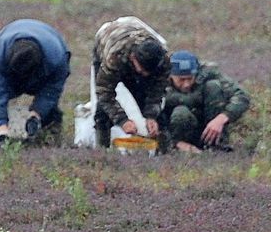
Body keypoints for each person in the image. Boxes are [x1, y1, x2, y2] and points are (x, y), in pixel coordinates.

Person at [0, 19, 71, 145]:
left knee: (50, 109)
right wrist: (2, 129)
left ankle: (47, 141)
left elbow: (51, 91)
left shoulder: (57, 59)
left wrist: (37, 115)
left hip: (44, 68)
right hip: (7, 67)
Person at [92, 16, 169, 147]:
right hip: (106, 40)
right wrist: (122, 120)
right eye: (142, 69)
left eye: (149, 71)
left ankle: (163, 150)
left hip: (134, 31)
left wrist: (151, 116)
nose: (145, 74)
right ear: (133, 58)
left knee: (151, 105)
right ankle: (101, 150)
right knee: (102, 111)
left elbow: (157, 91)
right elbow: (104, 93)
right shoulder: (114, 57)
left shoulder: (164, 60)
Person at [160, 50, 250, 153]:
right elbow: (151, 118)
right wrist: (174, 142)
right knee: (180, 112)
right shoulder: (159, 80)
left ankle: (217, 145)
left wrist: (222, 118)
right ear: (171, 75)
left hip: (205, 122)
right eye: (181, 80)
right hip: (176, 129)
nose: (186, 84)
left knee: (213, 86)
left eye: (190, 78)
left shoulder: (209, 73)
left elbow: (242, 96)